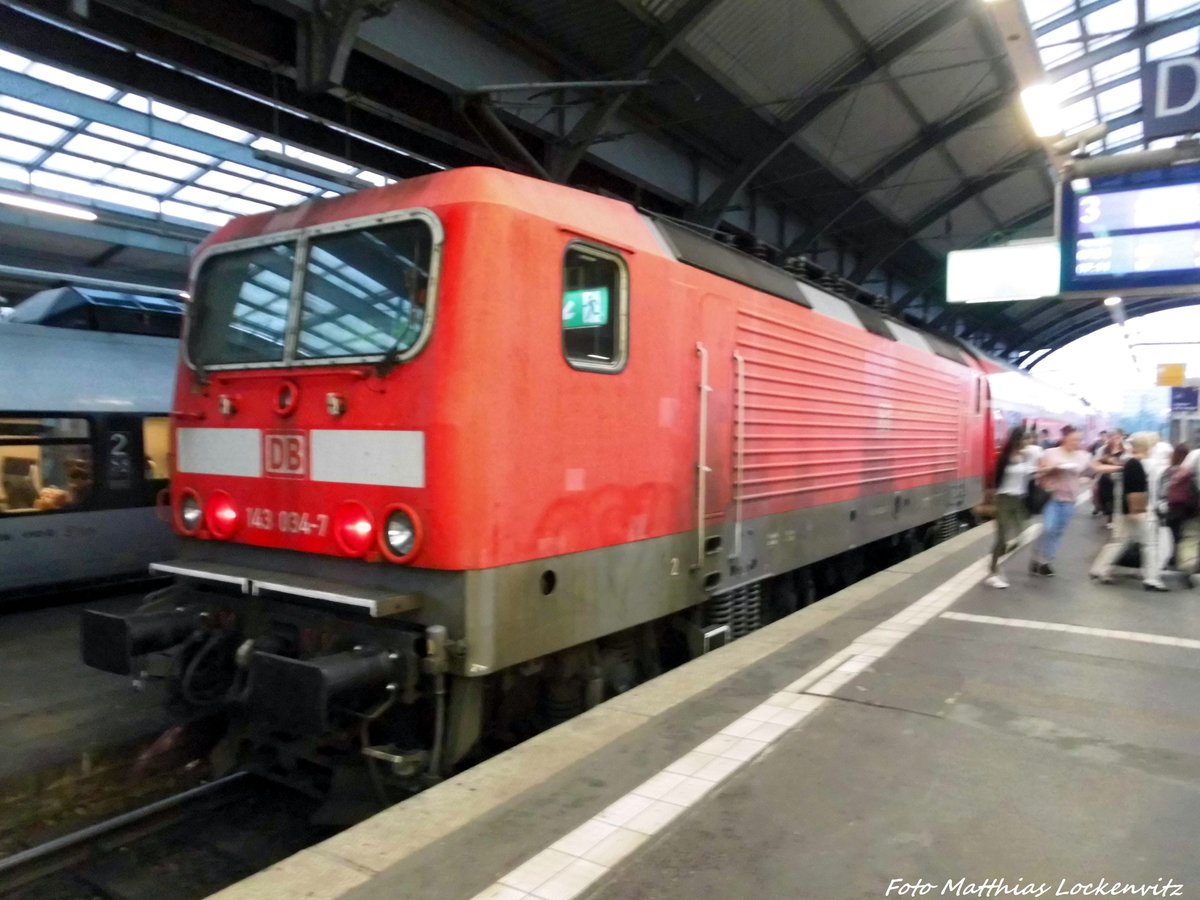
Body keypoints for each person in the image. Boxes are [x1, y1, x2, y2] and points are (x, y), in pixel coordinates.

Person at [1031, 425, 1120, 576]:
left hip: (1069, 499)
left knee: (1058, 530)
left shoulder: (1082, 456)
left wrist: (1120, 467)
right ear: (1064, 438)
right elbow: (1040, 472)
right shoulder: (1050, 453)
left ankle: (1046, 561)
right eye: (1074, 439)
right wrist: (1054, 468)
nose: (1077, 442)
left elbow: (1097, 467)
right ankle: (1037, 556)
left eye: (1079, 439)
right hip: (1051, 497)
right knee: (1048, 528)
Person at [1089, 432, 1168, 591]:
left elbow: (1101, 469)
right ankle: (1152, 579)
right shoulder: (1151, 464)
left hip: (1122, 509)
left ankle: (1099, 569)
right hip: (1143, 509)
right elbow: (1153, 488)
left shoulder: (1126, 462)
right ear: (1148, 446)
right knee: (1150, 544)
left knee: (1119, 540)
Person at [985, 427, 1036, 589]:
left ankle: (994, 561)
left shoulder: (1026, 456)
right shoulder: (1004, 458)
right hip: (1004, 500)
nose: (1029, 442)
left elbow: (1031, 475)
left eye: (1029, 439)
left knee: (1020, 537)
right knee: (1002, 538)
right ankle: (993, 572)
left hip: (1019, 501)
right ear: (1017, 439)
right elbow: (994, 480)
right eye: (1025, 438)